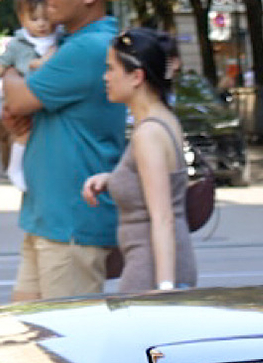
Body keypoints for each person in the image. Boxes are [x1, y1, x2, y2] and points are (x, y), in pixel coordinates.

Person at [0, 0, 123, 303]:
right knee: (26, 337)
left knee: (66, 343)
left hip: (70, 222)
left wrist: (10, 74)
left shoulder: (88, 47)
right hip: (50, 216)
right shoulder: (70, 43)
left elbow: (18, 99)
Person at [83, 28, 194, 291]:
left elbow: (162, 217)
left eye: (111, 69)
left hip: (151, 271)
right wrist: (112, 179)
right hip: (161, 263)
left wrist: (164, 288)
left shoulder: (148, 134)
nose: (105, 77)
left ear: (136, 76)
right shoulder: (164, 118)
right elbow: (155, 180)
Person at [0, 3, 62, 188]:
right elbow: (2, 62)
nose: (41, 24)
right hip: (25, 95)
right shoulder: (18, 43)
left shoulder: (60, 39)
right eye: (34, 19)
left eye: (46, 19)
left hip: (42, 99)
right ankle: (15, 167)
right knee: (23, 133)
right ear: (22, 19)